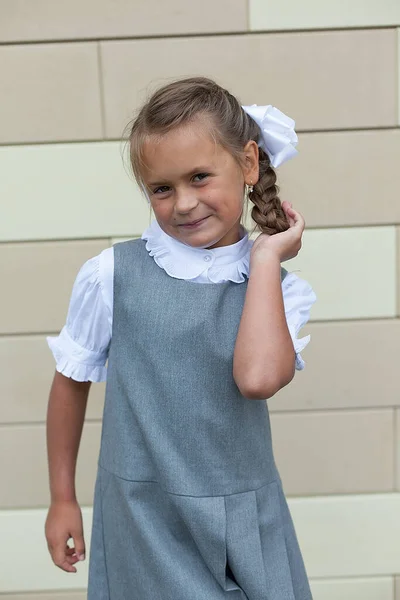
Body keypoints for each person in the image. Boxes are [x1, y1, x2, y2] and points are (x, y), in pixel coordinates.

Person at [45, 76, 316, 599]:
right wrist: (62, 497)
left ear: (249, 164)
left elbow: (258, 379)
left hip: (244, 523)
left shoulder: (278, 290)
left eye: (199, 177)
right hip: (146, 520)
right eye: (162, 189)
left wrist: (263, 258)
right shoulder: (111, 275)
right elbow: (70, 382)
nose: (184, 203)